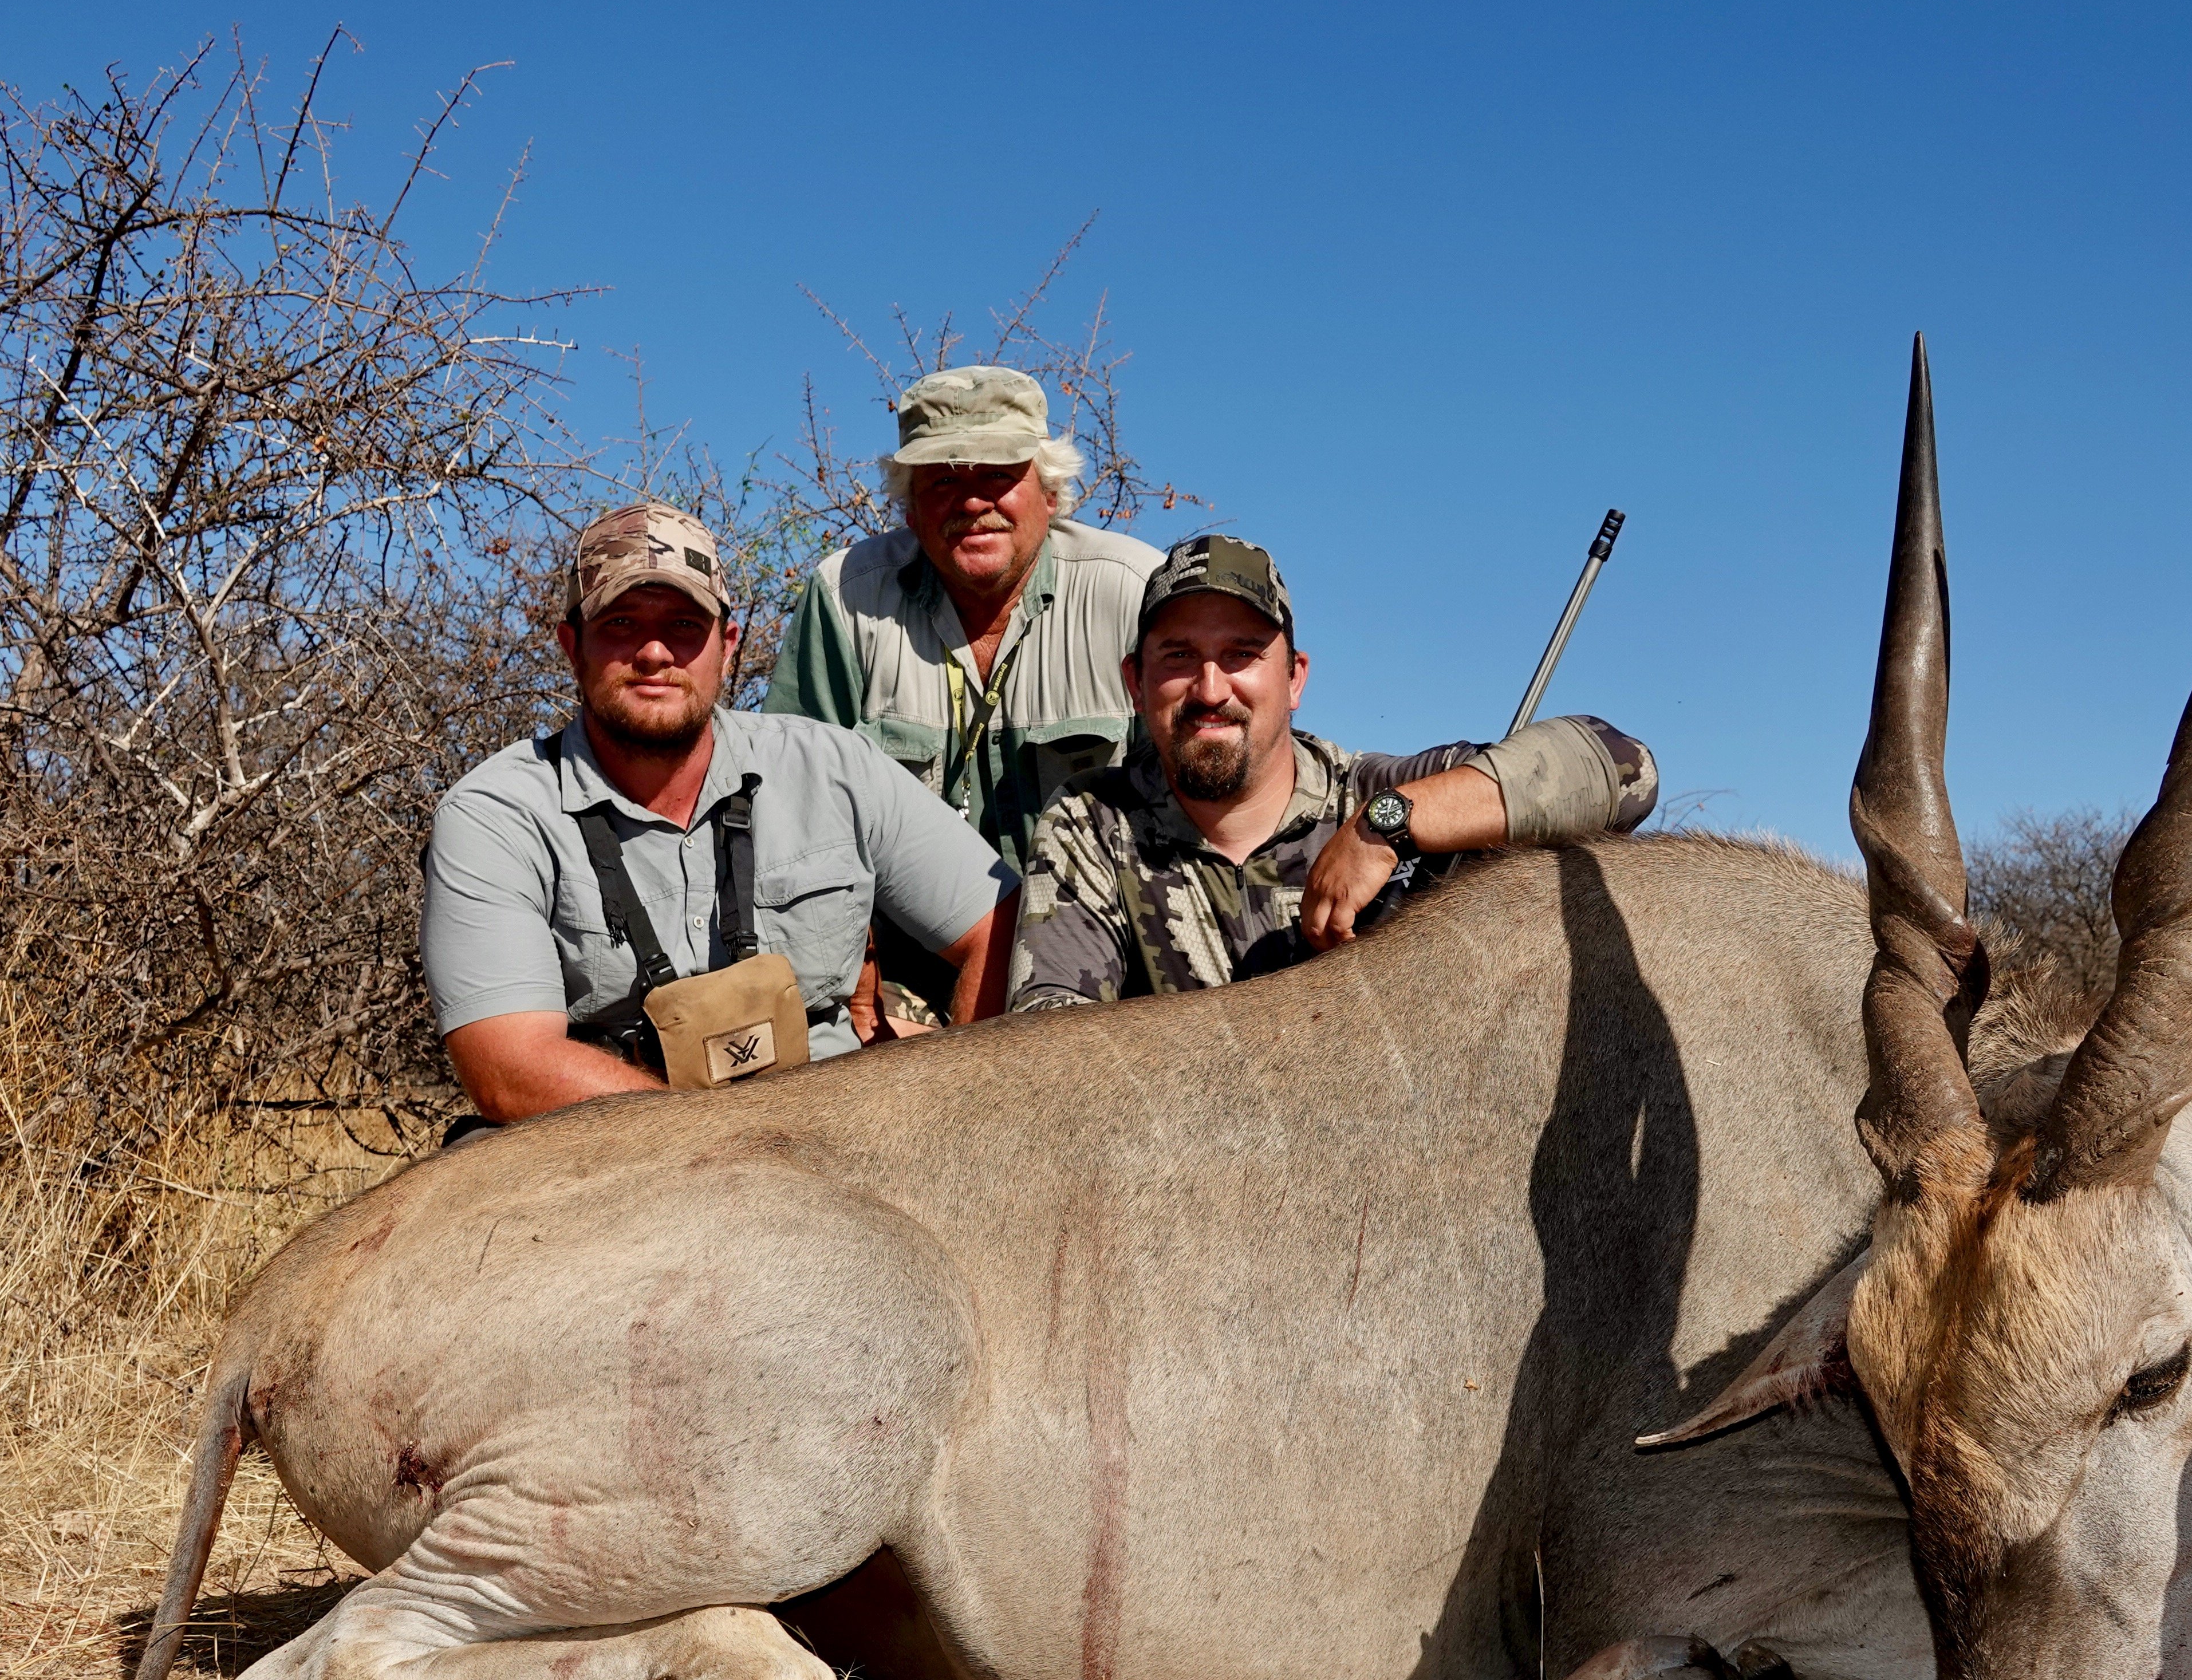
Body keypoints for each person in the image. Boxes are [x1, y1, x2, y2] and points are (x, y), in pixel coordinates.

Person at [421, 503, 1017, 1123]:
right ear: (573, 647)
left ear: (727, 646)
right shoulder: (494, 815)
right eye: (622, 622)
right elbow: (508, 1070)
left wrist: (957, 1103)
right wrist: (728, 1143)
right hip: (616, 1154)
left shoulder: (836, 768)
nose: (654, 652)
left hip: (841, 1141)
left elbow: (998, 923)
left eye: (684, 624)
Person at [1010, 534, 1657, 1008]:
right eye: (1179, 657)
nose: (1211, 689)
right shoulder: (1090, 823)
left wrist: (1389, 827)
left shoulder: (1375, 791)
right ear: (1136, 683)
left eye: (1242, 655)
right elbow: (1053, 1036)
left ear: (1294, 679)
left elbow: (1626, 769)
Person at [765, 364, 1165, 870]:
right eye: (945, 479)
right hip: (896, 941)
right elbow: (791, 801)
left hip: (1101, 934)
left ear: (1050, 494)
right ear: (910, 508)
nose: (973, 501)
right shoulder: (846, 597)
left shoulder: (1136, 590)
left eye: (999, 474)